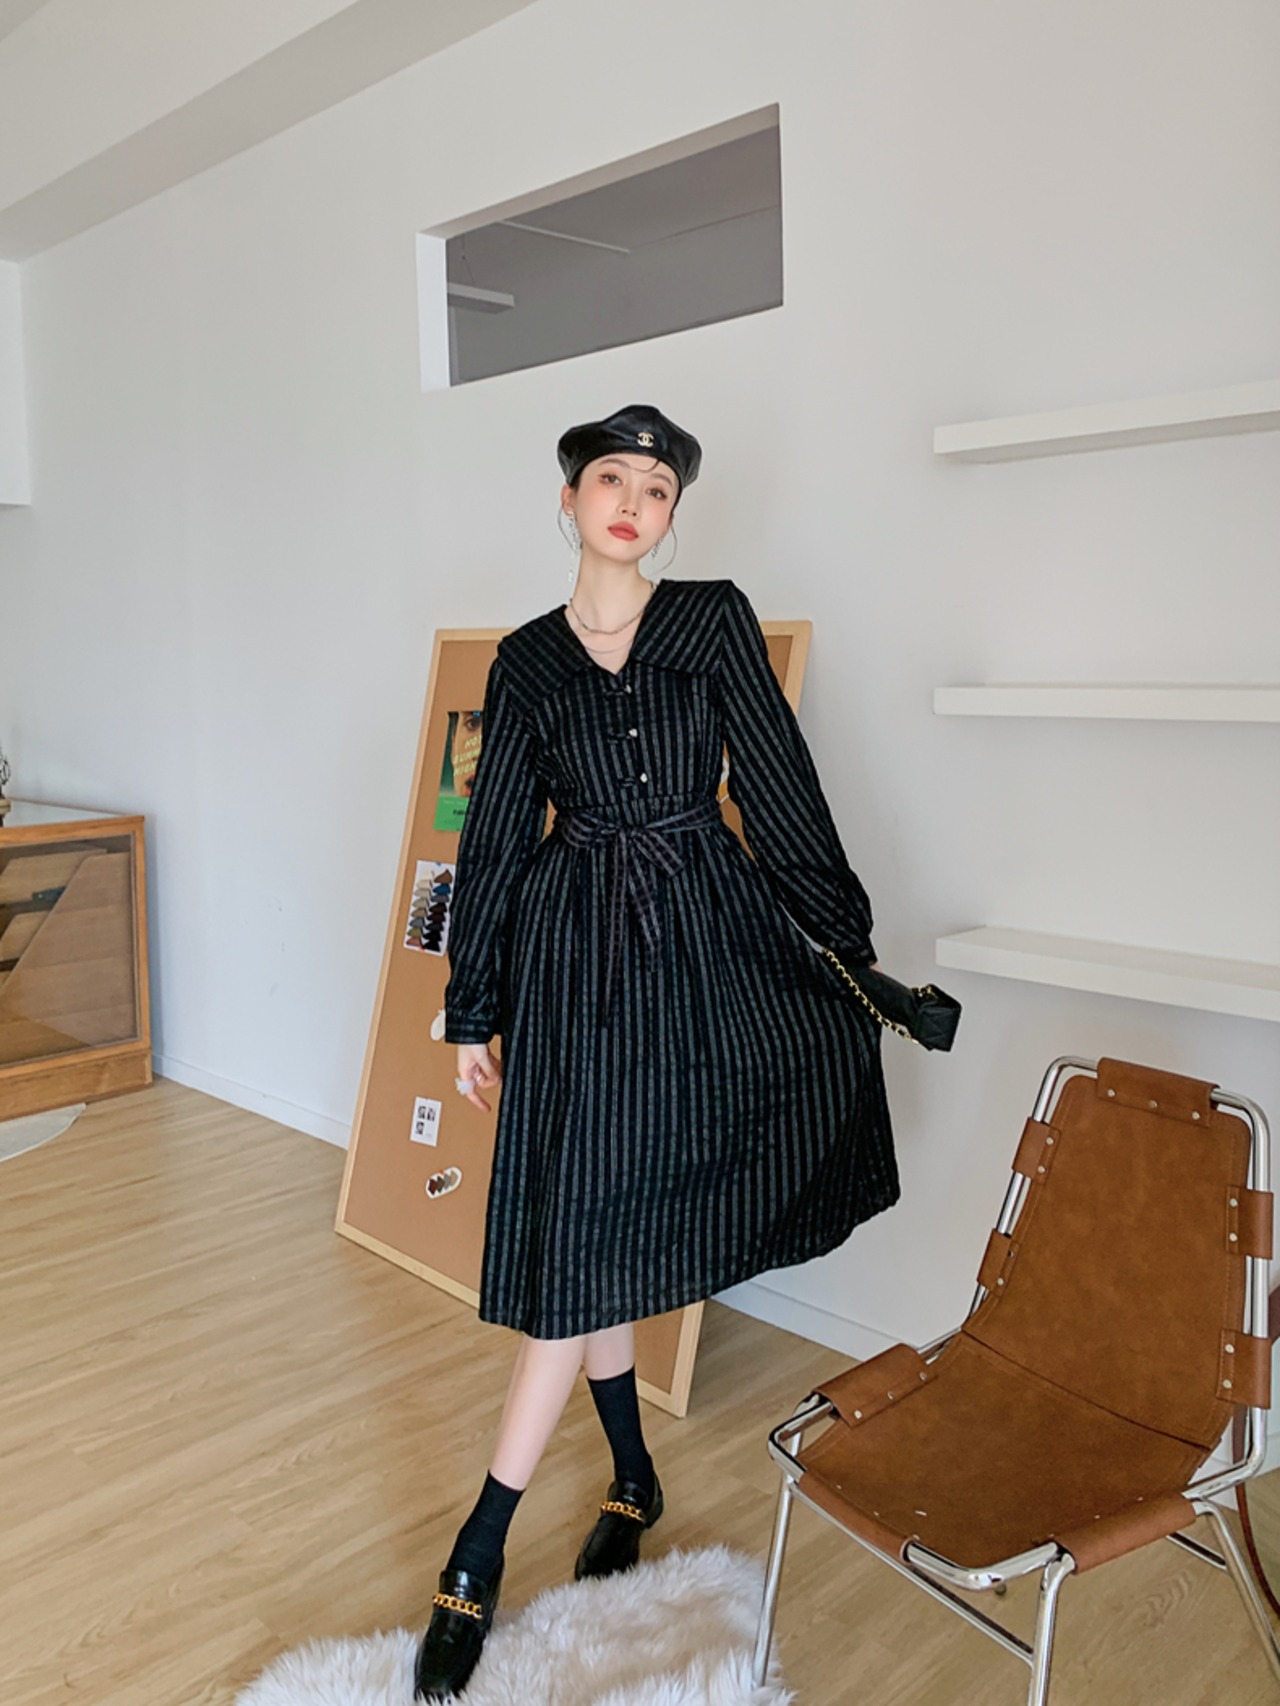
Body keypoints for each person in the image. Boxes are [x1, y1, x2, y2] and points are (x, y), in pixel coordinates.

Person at [412, 403, 898, 1701]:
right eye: (611, 480)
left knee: (602, 1232)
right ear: (570, 498)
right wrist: (474, 1008)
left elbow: (781, 786)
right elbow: (495, 842)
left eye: (657, 488)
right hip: (578, 967)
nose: (633, 502)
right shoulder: (525, 662)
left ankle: (489, 1546)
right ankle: (608, 1485)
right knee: (591, 1228)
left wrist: (845, 952)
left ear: (674, 513)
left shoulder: (714, 620)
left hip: (706, 949)